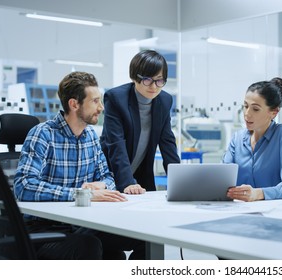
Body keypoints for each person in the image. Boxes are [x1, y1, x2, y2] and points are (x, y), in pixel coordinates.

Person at [14, 71, 146, 259]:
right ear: (74, 104)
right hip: (43, 230)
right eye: (95, 101)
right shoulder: (43, 134)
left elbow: (108, 178)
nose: (101, 107)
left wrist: (102, 185)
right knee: (89, 246)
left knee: (142, 237)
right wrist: (84, 194)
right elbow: (24, 187)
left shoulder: (90, 136)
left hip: (82, 225)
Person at [101, 50, 180, 194]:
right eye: (147, 80)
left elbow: (167, 143)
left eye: (159, 80)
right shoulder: (116, 98)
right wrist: (127, 182)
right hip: (110, 176)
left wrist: (181, 181)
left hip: (141, 177)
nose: (154, 87)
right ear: (134, 77)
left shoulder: (165, 100)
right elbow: (115, 144)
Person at [223, 77, 282, 201]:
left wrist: (258, 194)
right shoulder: (237, 139)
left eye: (255, 109)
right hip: (240, 210)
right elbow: (223, 177)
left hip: (275, 212)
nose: (247, 114)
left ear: (274, 112)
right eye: (245, 106)